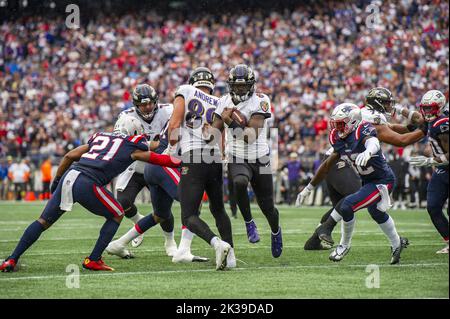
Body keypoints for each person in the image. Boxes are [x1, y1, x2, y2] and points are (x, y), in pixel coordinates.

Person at [0, 116, 181, 272]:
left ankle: (12, 259)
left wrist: (56, 181)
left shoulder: (100, 136)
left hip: (70, 176)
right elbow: (159, 158)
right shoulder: (132, 145)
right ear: (134, 131)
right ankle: (93, 259)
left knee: (43, 222)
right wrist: (182, 161)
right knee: (117, 213)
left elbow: (69, 156)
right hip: (88, 182)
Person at [301, 87, 426, 249]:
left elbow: (395, 129)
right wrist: (425, 129)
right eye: (387, 103)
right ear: (378, 104)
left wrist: (409, 122)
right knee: (353, 199)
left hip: (337, 162)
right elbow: (400, 140)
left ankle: (315, 240)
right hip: (341, 161)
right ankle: (325, 231)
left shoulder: (365, 113)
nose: (390, 107)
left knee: (343, 204)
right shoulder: (372, 118)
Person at [297, 103, 409, 264]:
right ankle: (397, 243)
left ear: (352, 122)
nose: (337, 128)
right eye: (335, 124)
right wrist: (309, 188)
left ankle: (344, 245)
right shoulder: (338, 137)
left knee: (348, 204)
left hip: (382, 180)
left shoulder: (363, 129)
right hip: (368, 180)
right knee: (376, 213)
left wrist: (368, 151)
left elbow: (373, 142)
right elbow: (327, 165)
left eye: (341, 124)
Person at [106, 120, 209, 263]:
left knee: (160, 215)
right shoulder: (184, 117)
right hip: (163, 165)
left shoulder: (170, 115)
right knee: (193, 200)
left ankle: (119, 244)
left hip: (153, 167)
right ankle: (184, 251)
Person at [167, 66, 234, 270]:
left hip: (194, 157)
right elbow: (220, 135)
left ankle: (217, 244)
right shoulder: (220, 101)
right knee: (218, 209)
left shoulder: (185, 90)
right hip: (214, 158)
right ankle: (231, 255)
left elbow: (176, 121)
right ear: (211, 84)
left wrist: (171, 147)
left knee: (189, 215)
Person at [212, 64, 282, 258]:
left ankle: (276, 231)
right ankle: (249, 222)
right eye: (237, 86)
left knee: (268, 206)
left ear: (251, 85)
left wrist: (230, 121)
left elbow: (250, 135)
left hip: (260, 157)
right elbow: (213, 132)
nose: (240, 89)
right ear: (230, 85)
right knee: (239, 182)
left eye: (243, 86)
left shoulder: (261, 100)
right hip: (236, 156)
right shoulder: (224, 101)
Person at [114, 84, 176, 254]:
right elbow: (122, 143)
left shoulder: (169, 111)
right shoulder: (126, 116)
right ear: (135, 105)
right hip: (135, 167)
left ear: (156, 101)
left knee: (163, 210)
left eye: (150, 103)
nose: (147, 107)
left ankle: (169, 241)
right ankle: (138, 221)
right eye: (143, 104)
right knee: (122, 202)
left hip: (157, 166)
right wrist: (152, 145)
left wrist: (146, 145)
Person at [408, 90, 449, 254]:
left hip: (445, 166)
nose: (427, 112)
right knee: (433, 206)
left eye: (430, 108)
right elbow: (416, 116)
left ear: (439, 107)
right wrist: (398, 109)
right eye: (425, 108)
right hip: (441, 171)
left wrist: (431, 160)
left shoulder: (443, 123)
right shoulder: (432, 119)